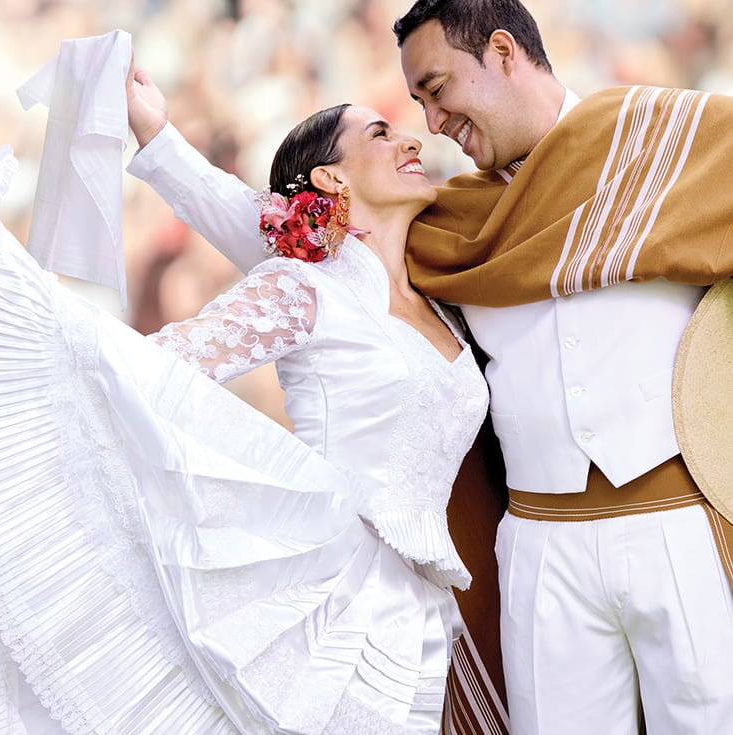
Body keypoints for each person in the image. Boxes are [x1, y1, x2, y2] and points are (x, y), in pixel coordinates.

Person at [127, 1, 733, 732]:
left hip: (678, 530)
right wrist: (158, 140)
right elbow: (284, 234)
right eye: (415, 103)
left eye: (437, 90)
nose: (432, 122)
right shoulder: (448, 226)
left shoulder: (673, 144)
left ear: (504, 52)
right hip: (540, 553)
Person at [0, 99, 490, 733]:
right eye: (382, 133)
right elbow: (163, 364)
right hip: (330, 592)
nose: (411, 141)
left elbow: (244, 216)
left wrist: (158, 135)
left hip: (425, 599)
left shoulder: (443, 294)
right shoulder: (308, 288)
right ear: (332, 178)